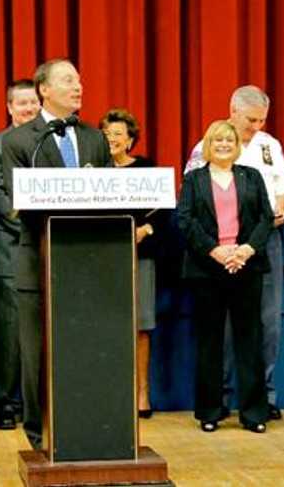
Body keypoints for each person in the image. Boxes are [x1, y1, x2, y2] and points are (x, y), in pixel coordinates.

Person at [1, 59, 112, 448]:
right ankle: (40, 434)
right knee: (38, 353)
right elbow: (19, 200)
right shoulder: (19, 141)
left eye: (79, 80)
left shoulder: (95, 138)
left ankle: (90, 425)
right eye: (68, 80)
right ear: (44, 89)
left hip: (90, 264)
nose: (78, 86)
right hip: (39, 261)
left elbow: (112, 195)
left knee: (87, 347)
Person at [185, 86, 284, 420]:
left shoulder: (269, 145)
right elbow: (192, 204)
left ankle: (263, 395)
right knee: (221, 327)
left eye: (261, 120)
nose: (256, 127)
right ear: (233, 111)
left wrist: (280, 209)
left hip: (262, 242)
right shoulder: (207, 146)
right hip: (216, 249)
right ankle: (218, 397)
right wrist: (219, 249)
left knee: (267, 321)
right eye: (250, 120)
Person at [178, 120, 273, 434]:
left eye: (229, 140)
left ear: (237, 146)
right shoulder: (193, 179)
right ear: (208, 144)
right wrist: (215, 251)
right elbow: (186, 220)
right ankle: (210, 411)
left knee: (250, 340)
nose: (223, 145)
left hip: (246, 266)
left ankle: (254, 413)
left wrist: (245, 250)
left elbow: (265, 217)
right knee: (210, 342)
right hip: (207, 269)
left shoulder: (252, 176)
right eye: (217, 140)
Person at [0, 79, 40, 429]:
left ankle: (44, 402)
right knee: (11, 329)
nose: (28, 109)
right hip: (12, 246)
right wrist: (34, 229)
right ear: (9, 107)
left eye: (33, 103)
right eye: (22, 104)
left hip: (53, 248)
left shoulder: (54, 142)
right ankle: (5, 402)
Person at [99, 108, 163, 419]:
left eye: (117, 134)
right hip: (101, 257)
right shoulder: (92, 171)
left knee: (140, 326)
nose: (111, 139)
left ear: (130, 140)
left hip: (140, 256)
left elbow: (161, 213)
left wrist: (145, 229)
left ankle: (142, 392)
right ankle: (108, 391)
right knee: (103, 326)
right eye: (107, 134)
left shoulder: (147, 168)